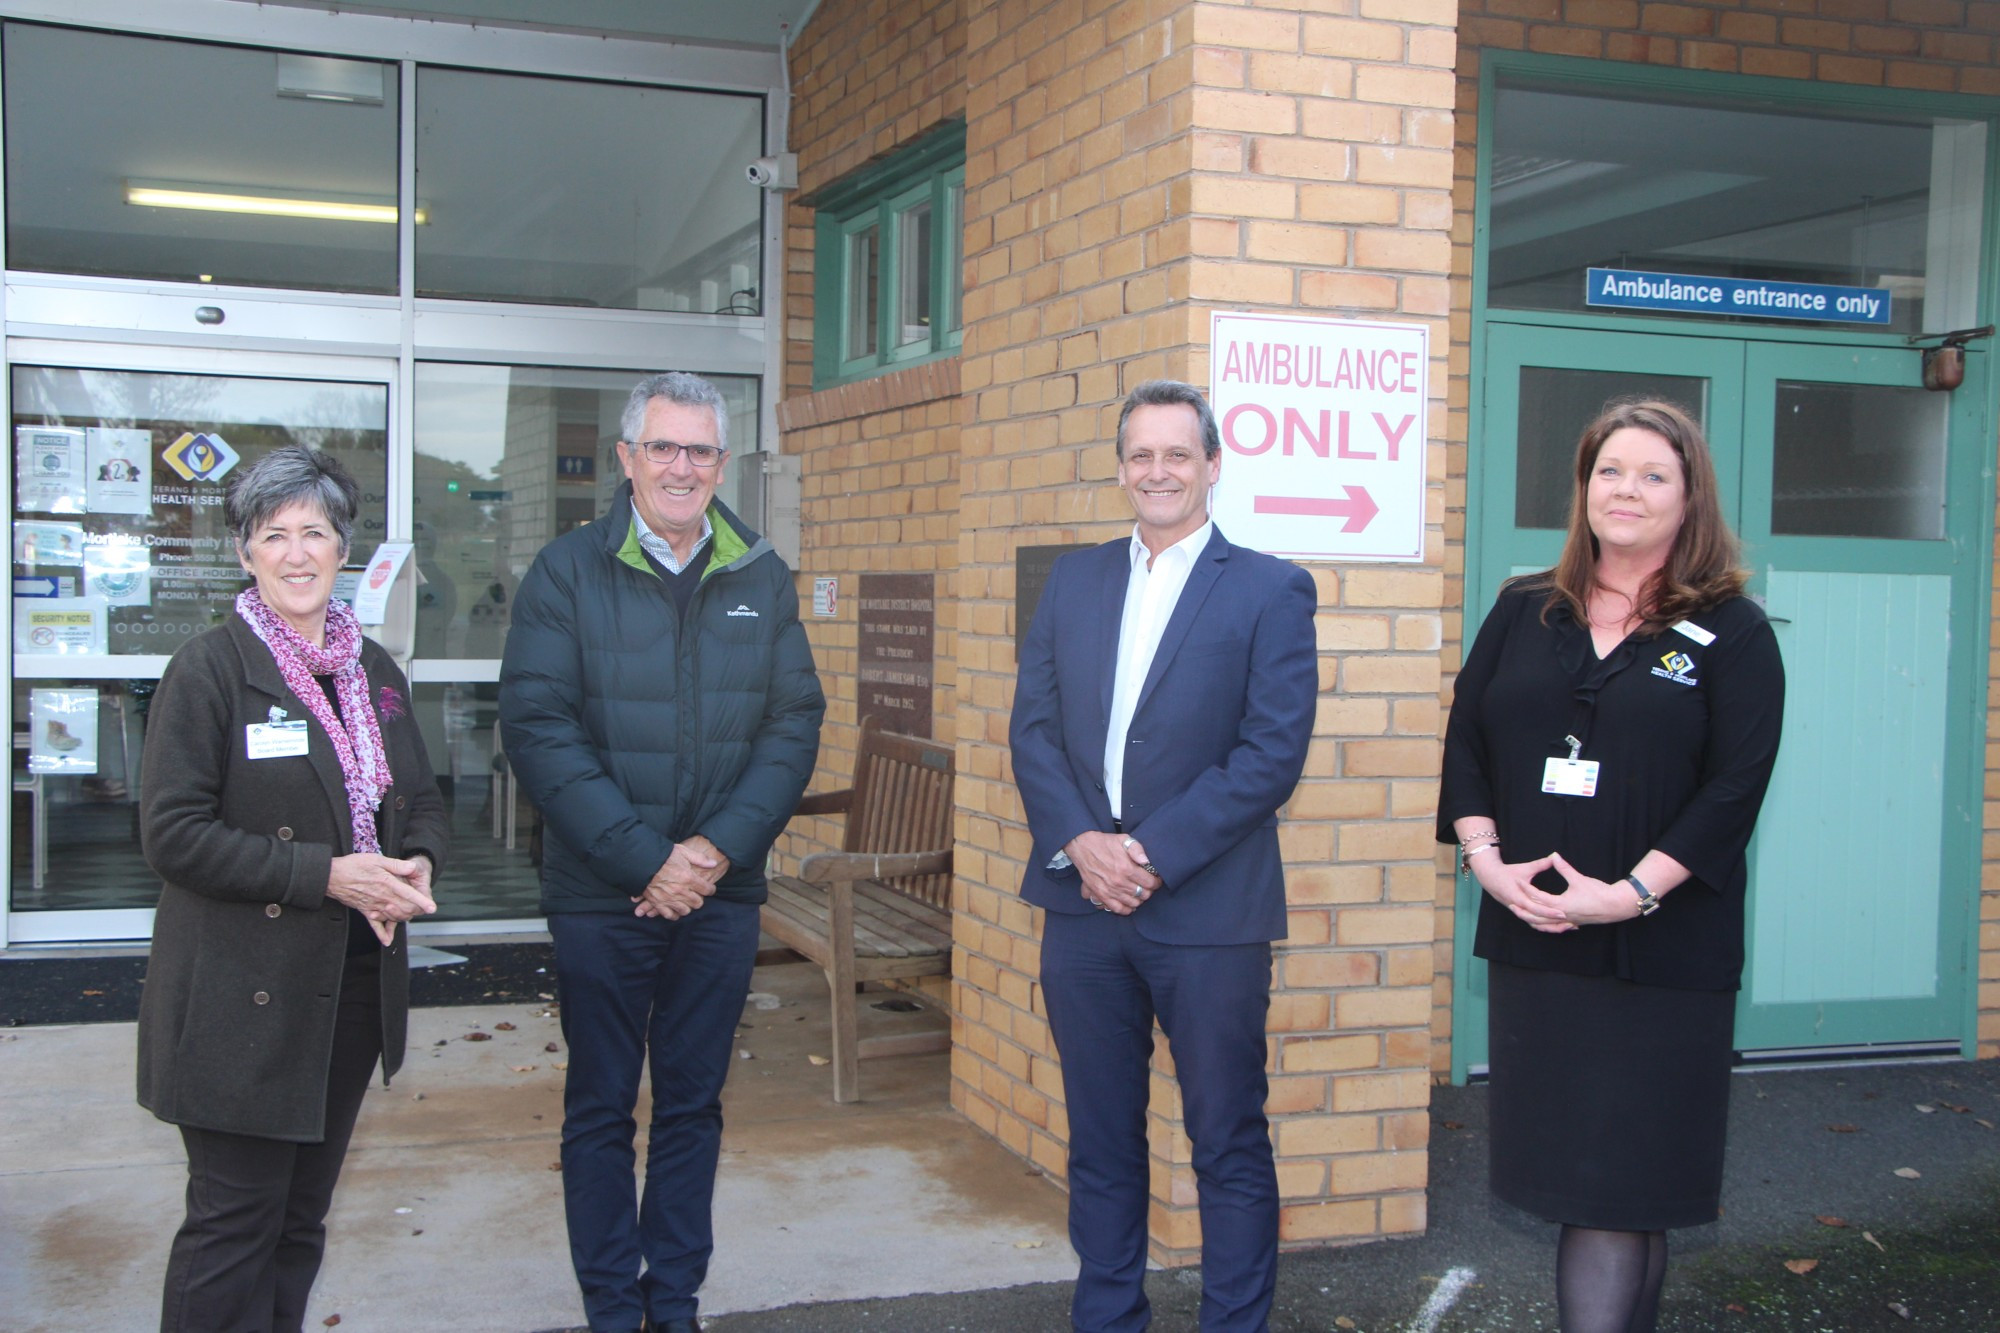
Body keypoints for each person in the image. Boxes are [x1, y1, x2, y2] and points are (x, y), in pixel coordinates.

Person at [1439, 399, 1785, 1333]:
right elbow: (1467, 738)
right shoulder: (1522, 607)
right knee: (1590, 1189)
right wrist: (1488, 861)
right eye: (1610, 471)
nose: (1627, 490)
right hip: (1539, 941)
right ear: (1584, 487)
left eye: (1653, 474)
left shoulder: (1735, 629)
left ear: (1689, 498)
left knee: (1626, 1189)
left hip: (1663, 957)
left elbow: (1735, 788)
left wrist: (1630, 894)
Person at [499, 371, 824, 1333]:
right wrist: (649, 860)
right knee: (602, 1105)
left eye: (700, 451)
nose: (682, 467)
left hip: (719, 897)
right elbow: (539, 730)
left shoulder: (758, 569)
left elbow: (793, 722)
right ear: (628, 458)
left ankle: (672, 1300)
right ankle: (610, 1304)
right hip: (605, 896)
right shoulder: (566, 572)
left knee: (693, 1105)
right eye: (664, 447)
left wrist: (715, 853)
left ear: (723, 464)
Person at [1008, 379, 1319, 1332]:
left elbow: (1272, 753)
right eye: (1140, 455)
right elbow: (1033, 730)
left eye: (1177, 454)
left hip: (1208, 913)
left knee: (1225, 1138)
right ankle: (1107, 1318)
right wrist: (1081, 844)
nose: (1158, 471)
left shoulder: (1270, 586)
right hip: (1082, 908)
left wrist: (1144, 851)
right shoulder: (1076, 578)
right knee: (1101, 1139)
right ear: (1120, 469)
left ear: (1213, 466)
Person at [138, 444, 446, 1333]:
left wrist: (416, 860)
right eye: (275, 533)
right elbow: (173, 835)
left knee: (298, 1222)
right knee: (234, 1222)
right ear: (245, 552)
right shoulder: (208, 669)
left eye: (316, 530)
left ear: (343, 549)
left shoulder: (372, 671)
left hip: (345, 990)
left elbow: (420, 798)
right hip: (241, 996)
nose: (298, 551)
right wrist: (328, 873)